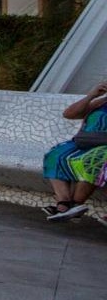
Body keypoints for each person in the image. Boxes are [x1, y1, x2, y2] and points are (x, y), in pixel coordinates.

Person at [40, 80, 107, 222]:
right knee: (55, 155)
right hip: (84, 142)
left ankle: (75, 206)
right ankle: (63, 204)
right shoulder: (102, 102)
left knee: (93, 160)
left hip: (102, 147)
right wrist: (91, 96)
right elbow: (69, 114)